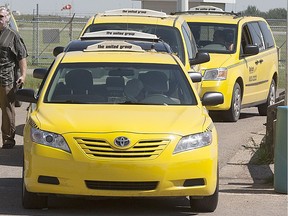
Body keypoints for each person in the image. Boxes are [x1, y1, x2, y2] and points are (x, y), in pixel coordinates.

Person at [0, 6, 28, 149]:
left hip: (6, 80)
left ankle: (8, 139)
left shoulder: (13, 35)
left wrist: (23, 75)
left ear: (7, 18)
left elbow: (21, 57)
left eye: (1, 17)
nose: (0, 20)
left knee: (7, 110)